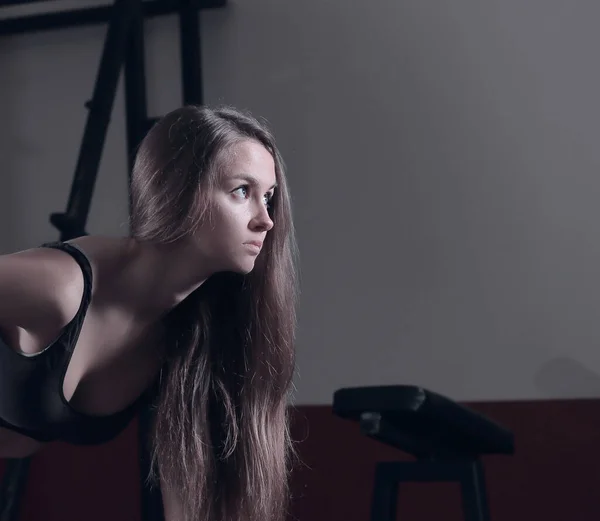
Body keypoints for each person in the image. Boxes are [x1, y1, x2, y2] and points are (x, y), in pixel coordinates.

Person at [0, 105, 299, 521]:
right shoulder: (60, 288)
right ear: (177, 192)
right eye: (241, 191)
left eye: (268, 197)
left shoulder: (191, 336)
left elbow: (189, 497)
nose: (265, 220)